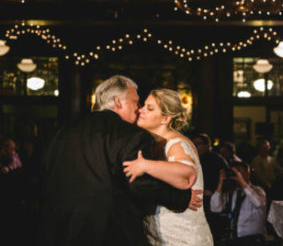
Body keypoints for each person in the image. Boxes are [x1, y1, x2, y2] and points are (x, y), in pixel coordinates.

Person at [40, 73, 192, 246]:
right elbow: (139, 184)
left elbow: (45, 172)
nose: (138, 109)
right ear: (119, 102)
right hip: (108, 232)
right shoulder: (131, 134)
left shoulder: (61, 132)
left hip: (59, 230)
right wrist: (182, 197)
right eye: (135, 102)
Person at [124, 87, 213, 246]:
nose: (141, 110)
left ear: (165, 119)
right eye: (144, 105)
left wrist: (145, 165)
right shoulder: (154, 144)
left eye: (150, 108)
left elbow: (186, 174)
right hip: (158, 238)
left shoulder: (176, 144)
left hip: (183, 239)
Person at [210, 159, 267, 237]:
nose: (236, 175)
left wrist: (242, 181)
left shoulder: (258, 190)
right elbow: (215, 208)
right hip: (234, 238)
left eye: (239, 171)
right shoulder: (231, 193)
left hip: (253, 238)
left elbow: (258, 203)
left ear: (248, 173)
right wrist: (220, 183)